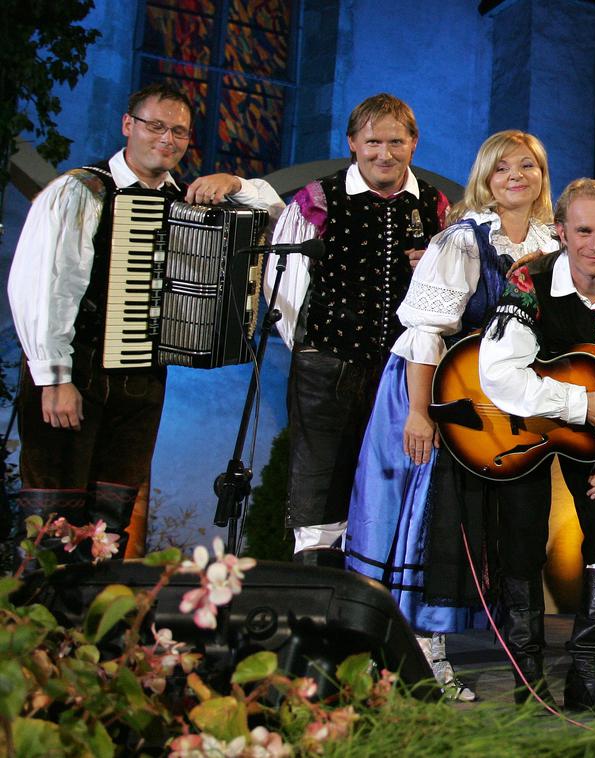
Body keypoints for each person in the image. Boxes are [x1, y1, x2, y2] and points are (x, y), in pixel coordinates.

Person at [8, 82, 282, 556]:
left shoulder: (189, 199)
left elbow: (282, 216)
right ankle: (43, 626)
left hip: (142, 379)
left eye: (179, 131)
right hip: (75, 371)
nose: (167, 139)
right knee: (53, 523)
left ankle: (101, 625)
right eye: (156, 126)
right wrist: (54, 377)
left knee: (109, 523)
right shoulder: (82, 189)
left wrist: (237, 183)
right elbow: (44, 286)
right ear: (128, 125)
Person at [343, 130, 557, 701]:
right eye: (503, 167)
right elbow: (424, 333)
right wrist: (420, 413)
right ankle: (425, 661)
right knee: (436, 524)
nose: (516, 176)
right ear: (485, 178)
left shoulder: (552, 245)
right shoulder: (462, 241)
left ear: (541, 177)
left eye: (528, 166)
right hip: (437, 390)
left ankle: (521, 668)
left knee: (504, 531)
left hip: (507, 410)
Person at [478, 178, 595, 717]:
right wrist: (576, 403)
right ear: (561, 231)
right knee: (521, 544)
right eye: (583, 230)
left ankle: (587, 675)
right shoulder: (529, 279)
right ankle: (528, 681)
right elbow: (497, 373)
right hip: (520, 429)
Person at [265, 94, 448, 565]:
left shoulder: (435, 206)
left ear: (413, 143)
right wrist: (311, 349)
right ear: (352, 143)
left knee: (394, 489)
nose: (383, 153)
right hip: (328, 369)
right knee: (320, 489)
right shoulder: (317, 199)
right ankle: (318, 608)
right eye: (372, 142)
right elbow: (281, 286)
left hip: (404, 375)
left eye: (395, 141)